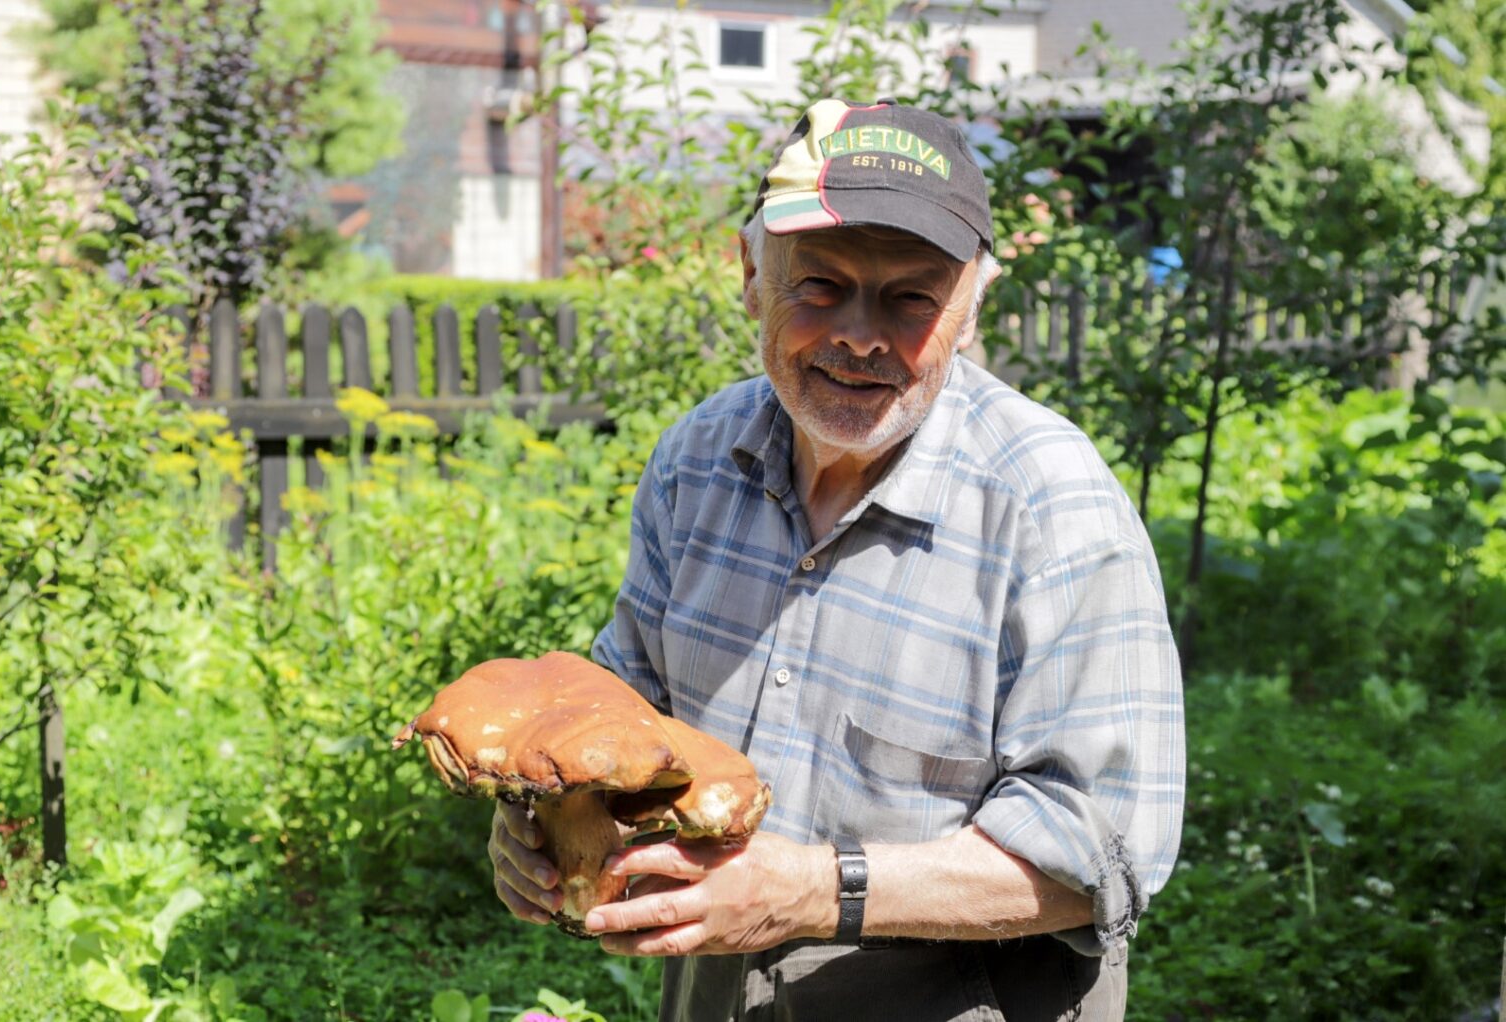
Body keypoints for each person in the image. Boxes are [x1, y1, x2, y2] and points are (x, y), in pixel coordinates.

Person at [489, 98, 1185, 1022]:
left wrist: (813, 892)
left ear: (972, 304)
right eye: (819, 285)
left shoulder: (1051, 507)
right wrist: (541, 818)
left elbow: (1102, 854)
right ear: (750, 274)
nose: (860, 335)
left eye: (910, 298)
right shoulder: (698, 462)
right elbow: (621, 716)